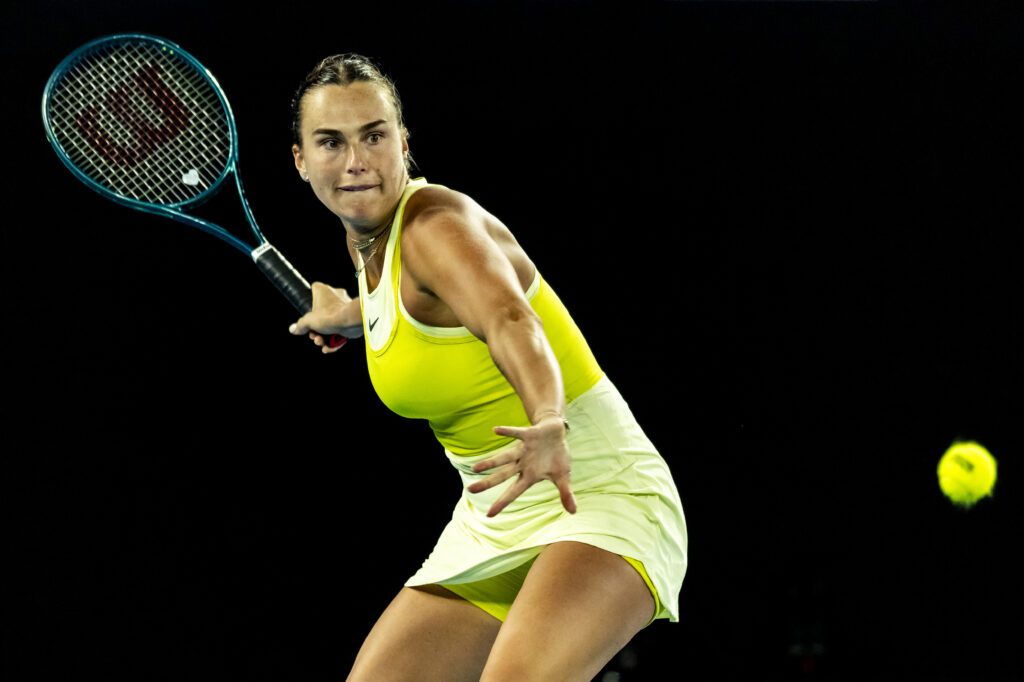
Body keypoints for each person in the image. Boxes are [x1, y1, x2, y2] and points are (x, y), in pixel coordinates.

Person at [287, 53, 687, 682]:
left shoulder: (435, 226)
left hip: (595, 492)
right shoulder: (371, 243)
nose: (357, 161)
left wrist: (549, 418)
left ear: (404, 144)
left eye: (374, 136)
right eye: (331, 143)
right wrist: (354, 315)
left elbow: (509, 321)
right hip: (496, 519)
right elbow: (437, 312)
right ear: (301, 160)